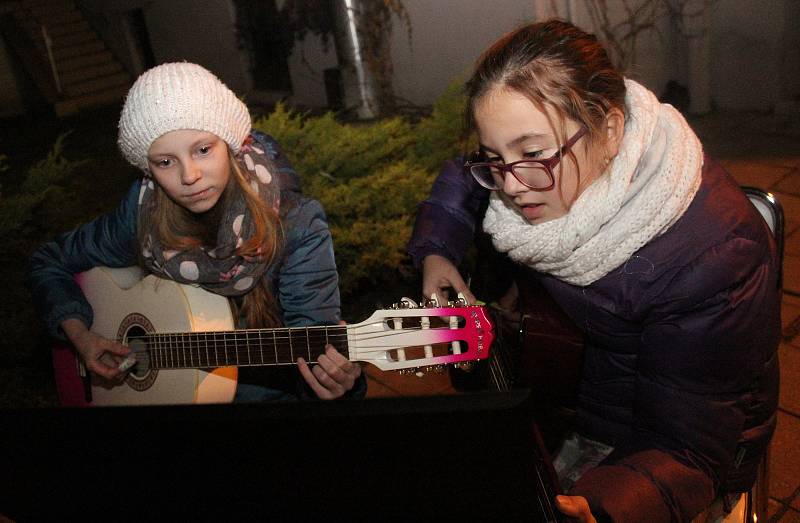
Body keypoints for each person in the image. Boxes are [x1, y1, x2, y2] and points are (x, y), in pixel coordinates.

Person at [407, 20, 780, 522]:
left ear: (609, 131)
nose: (512, 187)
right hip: (568, 403)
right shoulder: (528, 174)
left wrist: (603, 506)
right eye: (495, 158)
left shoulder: (712, 259)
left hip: (667, 459)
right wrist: (437, 251)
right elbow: (463, 176)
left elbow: (690, 451)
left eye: (533, 153)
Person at [28, 62, 364, 402]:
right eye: (165, 162)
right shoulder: (140, 216)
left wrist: (337, 383)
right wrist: (80, 335)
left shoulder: (296, 225)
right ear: (148, 168)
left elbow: (317, 353)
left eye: (203, 150)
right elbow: (48, 262)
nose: (189, 176)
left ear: (230, 144)